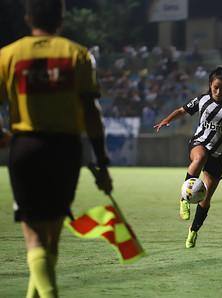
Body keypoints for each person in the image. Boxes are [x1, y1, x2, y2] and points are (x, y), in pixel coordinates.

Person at [0, 1, 112, 296]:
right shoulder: (78, 55)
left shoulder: (8, 55)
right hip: (65, 151)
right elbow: (92, 111)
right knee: (51, 239)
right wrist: (101, 159)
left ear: (28, 18)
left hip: (26, 149)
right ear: (62, 19)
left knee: (35, 239)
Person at [154, 66, 222, 248]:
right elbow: (182, 110)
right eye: (216, 87)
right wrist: (167, 120)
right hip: (200, 143)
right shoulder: (202, 100)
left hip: (220, 155)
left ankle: (193, 231)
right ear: (210, 85)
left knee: (205, 198)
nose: (219, 91)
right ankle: (183, 199)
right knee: (200, 157)